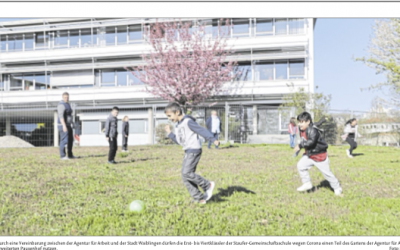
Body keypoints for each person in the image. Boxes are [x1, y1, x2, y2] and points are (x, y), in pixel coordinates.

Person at [164, 103, 219, 204]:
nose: (169, 119)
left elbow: (201, 130)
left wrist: (212, 139)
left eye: (169, 116)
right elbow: (179, 141)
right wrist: (170, 133)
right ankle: (199, 198)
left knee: (186, 173)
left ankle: (207, 185)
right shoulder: (178, 125)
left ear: (177, 112)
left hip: (194, 150)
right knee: (184, 175)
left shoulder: (188, 122)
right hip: (187, 150)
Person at [293, 112, 342, 196]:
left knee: (327, 174)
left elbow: (311, 142)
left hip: (319, 156)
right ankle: (307, 183)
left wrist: (300, 145)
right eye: (299, 122)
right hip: (310, 154)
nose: (299, 124)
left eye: (302, 122)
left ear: (308, 122)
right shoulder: (302, 129)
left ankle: (337, 188)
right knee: (300, 165)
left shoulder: (312, 130)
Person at [57, 92, 76, 160]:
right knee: (64, 140)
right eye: (65, 97)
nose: (66, 98)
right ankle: (62, 156)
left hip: (68, 125)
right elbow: (61, 116)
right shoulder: (61, 105)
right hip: (63, 125)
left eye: (67, 97)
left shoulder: (68, 104)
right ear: (62, 97)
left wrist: (72, 123)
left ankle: (70, 155)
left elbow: (69, 116)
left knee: (70, 140)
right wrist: (64, 125)